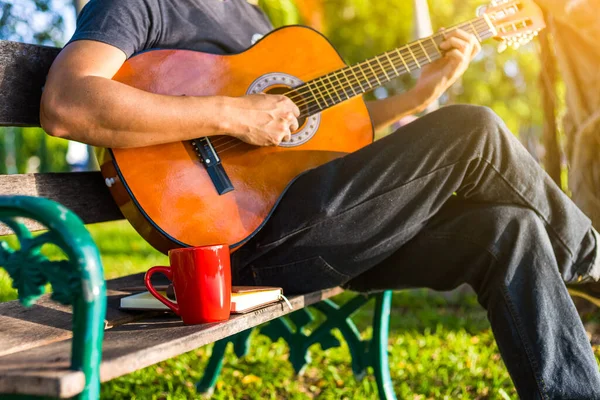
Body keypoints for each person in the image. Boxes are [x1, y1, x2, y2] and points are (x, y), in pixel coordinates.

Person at [40, 0, 600, 398]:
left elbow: (321, 130)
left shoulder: (251, 16)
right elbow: (67, 102)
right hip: (244, 235)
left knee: (509, 230)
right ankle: (594, 263)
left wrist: (420, 94)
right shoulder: (141, 4)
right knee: (474, 129)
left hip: (325, 217)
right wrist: (233, 113)